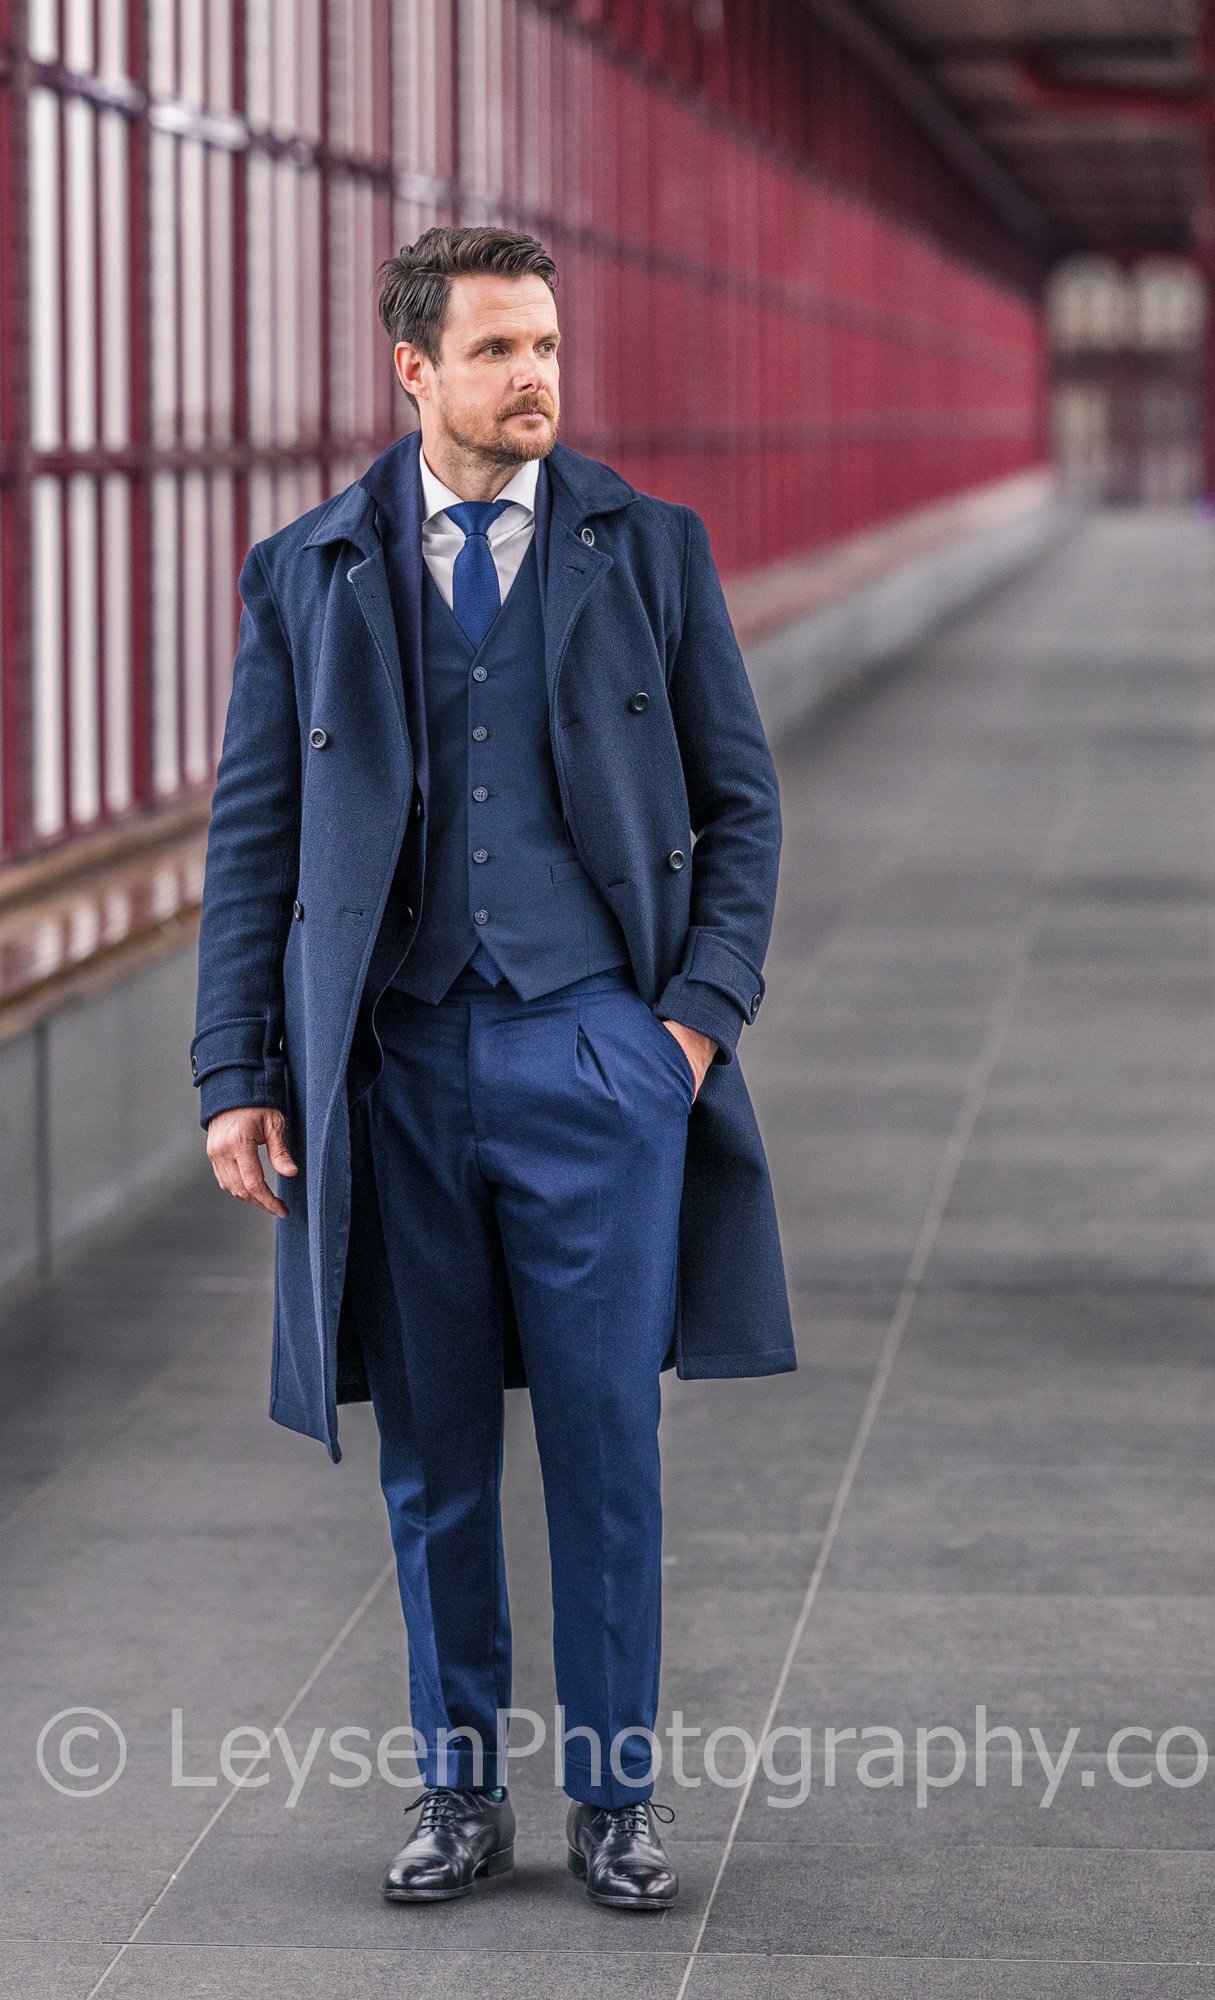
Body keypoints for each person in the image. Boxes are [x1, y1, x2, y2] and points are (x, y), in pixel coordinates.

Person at [191, 223, 794, 1912]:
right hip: (390, 1073)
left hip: (596, 1056)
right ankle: (458, 1793)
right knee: (434, 1456)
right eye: (497, 351)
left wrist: (686, 1027)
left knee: (609, 1442)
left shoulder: (647, 549)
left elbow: (740, 805)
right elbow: (259, 843)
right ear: (412, 370)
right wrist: (236, 1069)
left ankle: (615, 1799)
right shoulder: (305, 568)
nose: (536, 374)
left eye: (546, 344)